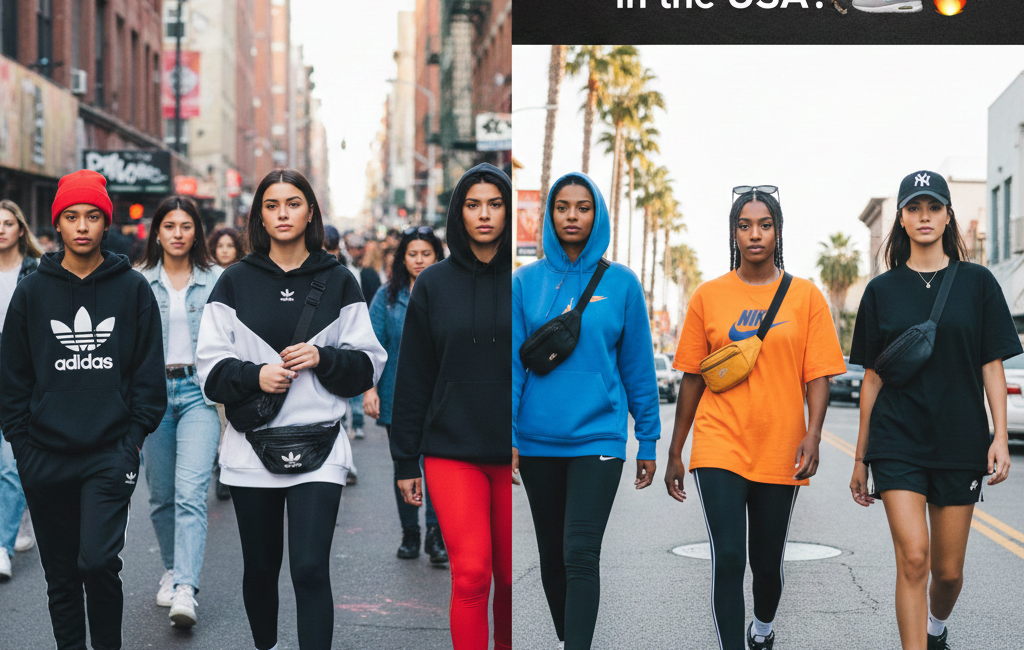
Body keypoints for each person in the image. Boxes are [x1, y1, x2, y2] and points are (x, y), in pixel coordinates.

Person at [196, 169, 386, 650]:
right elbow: (210, 370)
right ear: (259, 214)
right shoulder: (235, 281)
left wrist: (324, 357)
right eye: (272, 204)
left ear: (310, 212)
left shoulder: (339, 280)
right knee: (260, 570)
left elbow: (368, 365)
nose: (283, 213)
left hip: (320, 445)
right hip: (249, 450)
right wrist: (253, 375)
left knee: (308, 567)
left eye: (293, 203)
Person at [665, 186, 846, 650]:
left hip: (780, 446)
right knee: (728, 557)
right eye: (744, 226)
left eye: (764, 225)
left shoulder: (806, 297)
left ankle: (762, 628)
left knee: (766, 565)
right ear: (733, 233)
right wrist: (675, 450)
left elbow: (819, 375)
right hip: (718, 442)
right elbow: (691, 377)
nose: (754, 234)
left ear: (778, 231)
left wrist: (814, 434)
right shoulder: (708, 296)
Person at [849, 171, 1020, 650]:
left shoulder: (978, 283)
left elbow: (991, 366)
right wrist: (861, 459)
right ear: (901, 219)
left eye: (934, 207)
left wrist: (999, 438)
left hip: (959, 441)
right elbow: (873, 379)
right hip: (897, 440)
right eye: (914, 208)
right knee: (914, 560)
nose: (924, 217)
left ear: (948, 217)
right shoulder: (881, 291)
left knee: (947, 573)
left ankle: (937, 624)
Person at [0, 170, 167, 650]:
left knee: (97, 563)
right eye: (71, 216)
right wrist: (23, 445)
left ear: (105, 222)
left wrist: (130, 442)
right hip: (44, 455)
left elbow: (146, 375)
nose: (82, 226)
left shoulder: (132, 289)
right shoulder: (33, 291)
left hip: (108, 453)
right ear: (58, 223)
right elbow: (12, 376)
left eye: (92, 216)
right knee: (61, 578)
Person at [512, 172, 660, 650]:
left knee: (580, 553)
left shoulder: (621, 284)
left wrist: (649, 439)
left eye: (582, 207)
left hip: (599, 438)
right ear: (549, 215)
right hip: (536, 439)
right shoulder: (524, 283)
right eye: (562, 207)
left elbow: (638, 368)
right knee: (552, 561)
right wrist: (508, 434)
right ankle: (568, 637)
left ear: (597, 213)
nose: (572, 216)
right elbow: (513, 366)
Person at [390, 163, 512, 650]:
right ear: (458, 212)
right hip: (450, 450)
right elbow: (414, 376)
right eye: (473, 204)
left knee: (508, 580)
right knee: (471, 575)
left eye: (495, 204)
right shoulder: (433, 284)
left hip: (515, 453)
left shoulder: (525, 282)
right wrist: (405, 460)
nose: (484, 215)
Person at [137, 195, 224, 627]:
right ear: (157, 232)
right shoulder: (137, 281)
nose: (177, 234)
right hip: (153, 395)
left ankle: (186, 587)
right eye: (169, 226)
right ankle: (172, 567)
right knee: (161, 496)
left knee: (191, 491)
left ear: (197, 232)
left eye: (185, 226)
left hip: (199, 394)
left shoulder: (217, 280)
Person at [364, 226, 447, 563]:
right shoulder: (386, 297)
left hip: (441, 399)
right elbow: (370, 346)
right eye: (412, 254)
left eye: (426, 254)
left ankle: (434, 535)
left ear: (437, 256)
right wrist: (369, 390)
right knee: (405, 465)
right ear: (402, 259)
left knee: (438, 468)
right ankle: (410, 533)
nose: (419, 260)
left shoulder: (447, 293)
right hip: (396, 396)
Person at [0, 199, 42, 581]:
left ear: (20, 229)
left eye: (7, 223)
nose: (1, 229)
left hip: (19, 377)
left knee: (11, 463)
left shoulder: (35, 272)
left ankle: (2, 544)